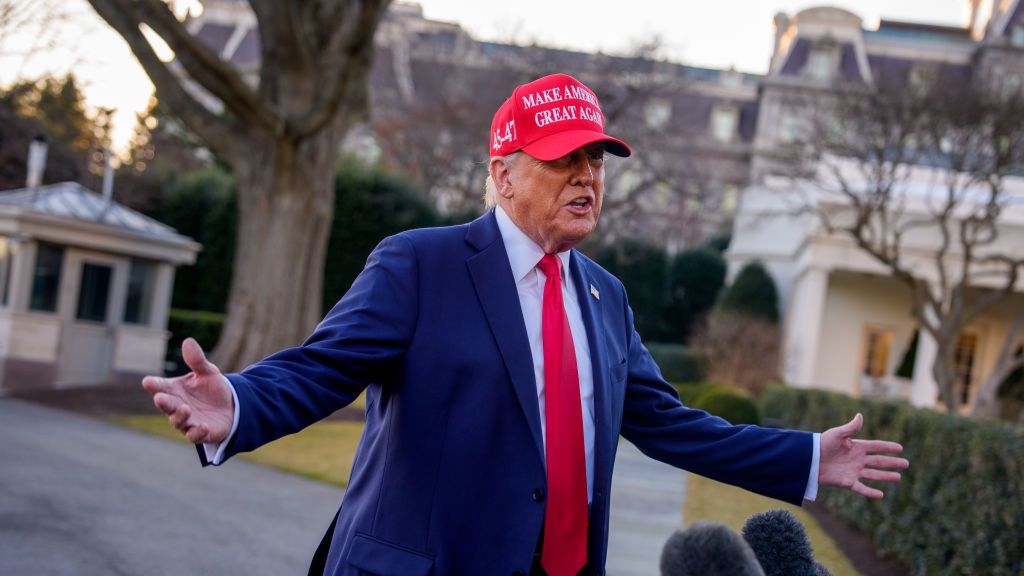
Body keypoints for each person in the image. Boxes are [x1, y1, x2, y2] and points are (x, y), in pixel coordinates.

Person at [142, 73, 909, 576]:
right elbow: (321, 368)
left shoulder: (606, 297)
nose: (586, 176)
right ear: (502, 175)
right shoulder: (420, 264)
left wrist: (806, 456)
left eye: (598, 160)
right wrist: (236, 402)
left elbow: (667, 424)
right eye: (563, 159)